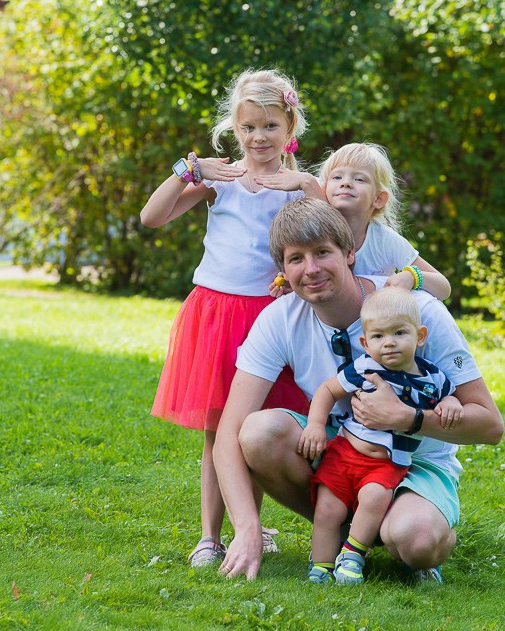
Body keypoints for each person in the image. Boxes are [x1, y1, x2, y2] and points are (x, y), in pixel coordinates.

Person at [212, 198, 503, 581]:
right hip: (345, 453)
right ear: (282, 270)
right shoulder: (278, 320)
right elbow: (227, 435)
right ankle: (347, 536)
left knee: (415, 540)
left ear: (349, 253)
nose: (311, 269)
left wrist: (408, 418)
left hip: (417, 460)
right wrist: (247, 529)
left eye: (322, 253)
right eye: (296, 259)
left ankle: (410, 529)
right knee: (258, 432)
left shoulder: (415, 311)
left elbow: (490, 426)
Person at [140, 69, 310, 567]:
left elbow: (339, 233)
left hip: (275, 319)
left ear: (289, 128)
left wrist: (307, 183)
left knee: (256, 429)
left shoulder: (297, 186)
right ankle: (211, 537)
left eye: (270, 126)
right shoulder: (222, 181)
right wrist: (187, 171)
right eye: (249, 128)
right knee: (219, 430)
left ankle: (251, 529)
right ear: (234, 131)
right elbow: (152, 218)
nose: (259, 137)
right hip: (216, 315)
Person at [301, 287, 463, 586]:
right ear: (365, 342)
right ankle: (321, 566)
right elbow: (328, 390)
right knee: (327, 508)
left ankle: (352, 556)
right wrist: (314, 425)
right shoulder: (365, 367)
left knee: (374, 498)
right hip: (344, 453)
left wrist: (450, 404)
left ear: (420, 336)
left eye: (399, 333)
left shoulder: (433, 379)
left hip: (386, 464)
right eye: (378, 336)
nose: (388, 343)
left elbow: (449, 396)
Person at [257, 142, 451, 300]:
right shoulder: (314, 234)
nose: (346, 182)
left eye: (360, 179)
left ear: (379, 199)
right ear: (324, 190)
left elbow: (443, 288)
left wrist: (411, 276)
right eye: (337, 176)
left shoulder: (384, 240)